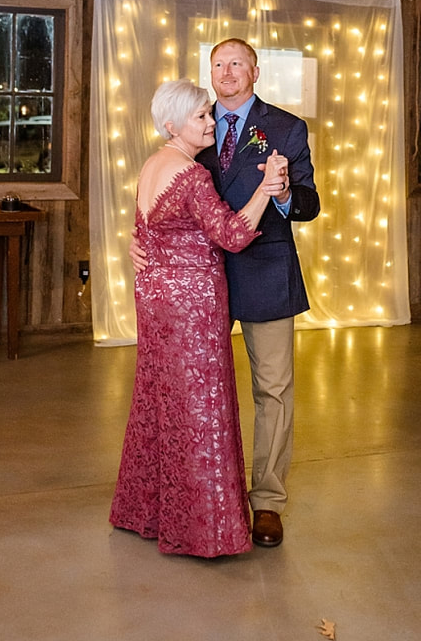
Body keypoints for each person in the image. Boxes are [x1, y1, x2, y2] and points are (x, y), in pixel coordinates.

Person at [131, 38, 320, 548]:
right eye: (219, 63)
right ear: (208, 72)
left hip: (263, 271)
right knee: (195, 395)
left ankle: (268, 502)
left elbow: (309, 202)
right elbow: (165, 193)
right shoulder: (195, 120)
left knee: (273, 390)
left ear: (255, 70)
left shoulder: (286, 127)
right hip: (198, 284)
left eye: (237, 62)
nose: (227, 71)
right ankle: (203, 496)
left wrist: (280, 193)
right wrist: (140, 241)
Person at [111, 78, 288, 557]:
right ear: (172, 125)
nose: (211, 122)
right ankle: (201, 529)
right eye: (200, 118)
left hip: (154, 296)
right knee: (200, 408)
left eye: (209, 115)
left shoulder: (154, 163)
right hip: (191, 303)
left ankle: (145, 511)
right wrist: (266, 191)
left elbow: (142, 228)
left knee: (160, 400)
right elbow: (230, 235)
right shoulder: (191, 175)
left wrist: (137, 246)